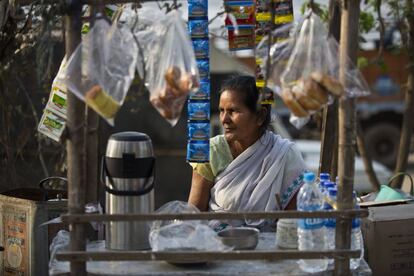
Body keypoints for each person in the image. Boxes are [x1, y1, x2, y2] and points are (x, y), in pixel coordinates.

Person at [188, 75, 307, 231]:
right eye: (222, 111)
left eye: (233, 111)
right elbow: (194, 215)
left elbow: (293, 223)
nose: (224, 119)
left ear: (260, 116)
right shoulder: (211, 151)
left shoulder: (285, 154)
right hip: (217, 244)